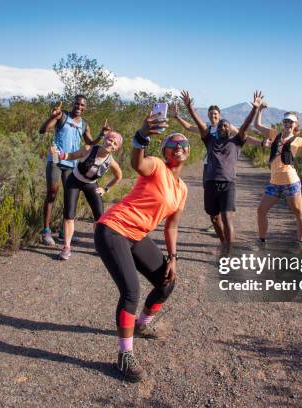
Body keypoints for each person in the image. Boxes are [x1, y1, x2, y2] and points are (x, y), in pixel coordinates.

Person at [94, 112, 189, 382]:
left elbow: (172, 226)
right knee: (131, 291)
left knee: (167, 281)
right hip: (112, 228)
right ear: (165, 151)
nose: (179, 146)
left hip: (136, 235)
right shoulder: (156, 166)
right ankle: (124, 356)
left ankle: (142, 325)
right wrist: (142, 135)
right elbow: (137, 162)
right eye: (173, 143)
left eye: (184, 143)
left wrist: (173, 257)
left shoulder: (182, 190)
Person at [180, 90, 265, 253]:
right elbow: (199, 125)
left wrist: (254, 109)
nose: (223, 127)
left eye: (225, 125)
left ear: (230, 129)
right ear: (217, 129)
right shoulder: (210, 140)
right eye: (220, 126)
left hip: (228, 184)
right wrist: (190, 107)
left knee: (226, 219)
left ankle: (230, 253)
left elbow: (245, 126)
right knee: (214, 217)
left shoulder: (237, 142)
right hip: (211, 183)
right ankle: (224, 243)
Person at [252, 90, 302, 249]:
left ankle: (300, 243)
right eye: (285, 121)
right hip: (274, 182)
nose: (287, 124)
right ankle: (261, 241)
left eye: (290, 122)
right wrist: (259, 109)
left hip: (290, 182)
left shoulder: (299, 140)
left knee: (298, 211)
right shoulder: (274, 134)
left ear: (295, 125)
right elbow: (257, 125)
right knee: (261, 210)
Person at [50, 122, 123, 260]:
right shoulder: (89, 148)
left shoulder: (111, 162)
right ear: (105, 139)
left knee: (100, 218)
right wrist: (58, 155)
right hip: (74, 181)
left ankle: (99, 246)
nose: (111, 143)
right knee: (69, 214)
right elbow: (71, 156)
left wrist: (105, 189)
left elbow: (119, 176)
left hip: (91, 184)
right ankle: (66, 247)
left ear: (116, 148)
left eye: (115, 143)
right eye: (110, 139)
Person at [168, 102, 239, 234]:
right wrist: (177, 117)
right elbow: (189, 127)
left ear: (220, 115)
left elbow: (240, 136)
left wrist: (262, 143)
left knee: (225, 201)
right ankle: (215, 220)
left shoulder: (227, 127)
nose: (213, 116)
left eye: (216, 114)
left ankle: (226, 223)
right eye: (211, 113)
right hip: (209, 165)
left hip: (224, 168)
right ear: (208, 115)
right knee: (210, 193)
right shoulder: (206, 128)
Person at [39, 95, 99, 246]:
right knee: (52, 192)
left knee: (69, 196)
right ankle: (46, 231)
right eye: (77, 104)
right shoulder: (62, 116)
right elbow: (43, 130)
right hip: (56, 159)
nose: (79, 107)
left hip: (72, 162)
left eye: (82, 105)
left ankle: (62, 231)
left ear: (85, 107)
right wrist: (51, 117)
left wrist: (102, 135)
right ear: (73, 104)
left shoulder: (84, 124)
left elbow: (90, 143)